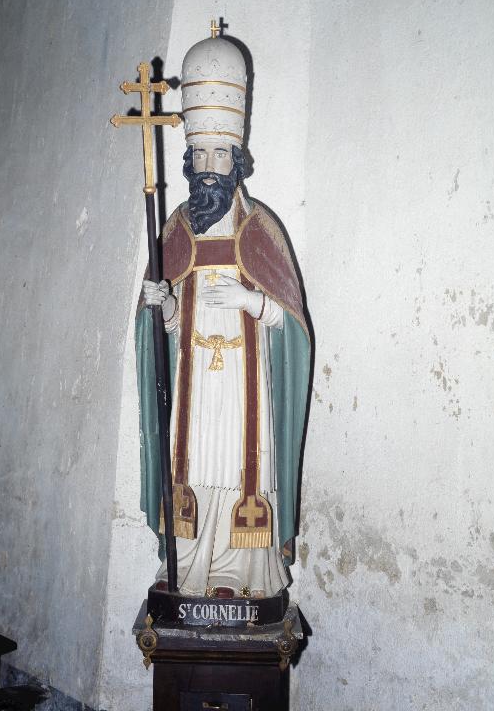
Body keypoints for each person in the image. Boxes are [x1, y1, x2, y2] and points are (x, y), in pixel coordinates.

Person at [136, 31, 310, 598]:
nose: (209, 167)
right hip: (193, 386)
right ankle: (188, 570)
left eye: (220, 155)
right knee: (192, 464)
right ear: (189, 160)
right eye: (201, 155)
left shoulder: (260, 229)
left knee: (240, 465)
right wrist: (162, 309)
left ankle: (242, 576)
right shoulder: (174, 231)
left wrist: (252, 302)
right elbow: (162, 334)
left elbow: (293, 329)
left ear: (237, 160)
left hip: (243, 385)